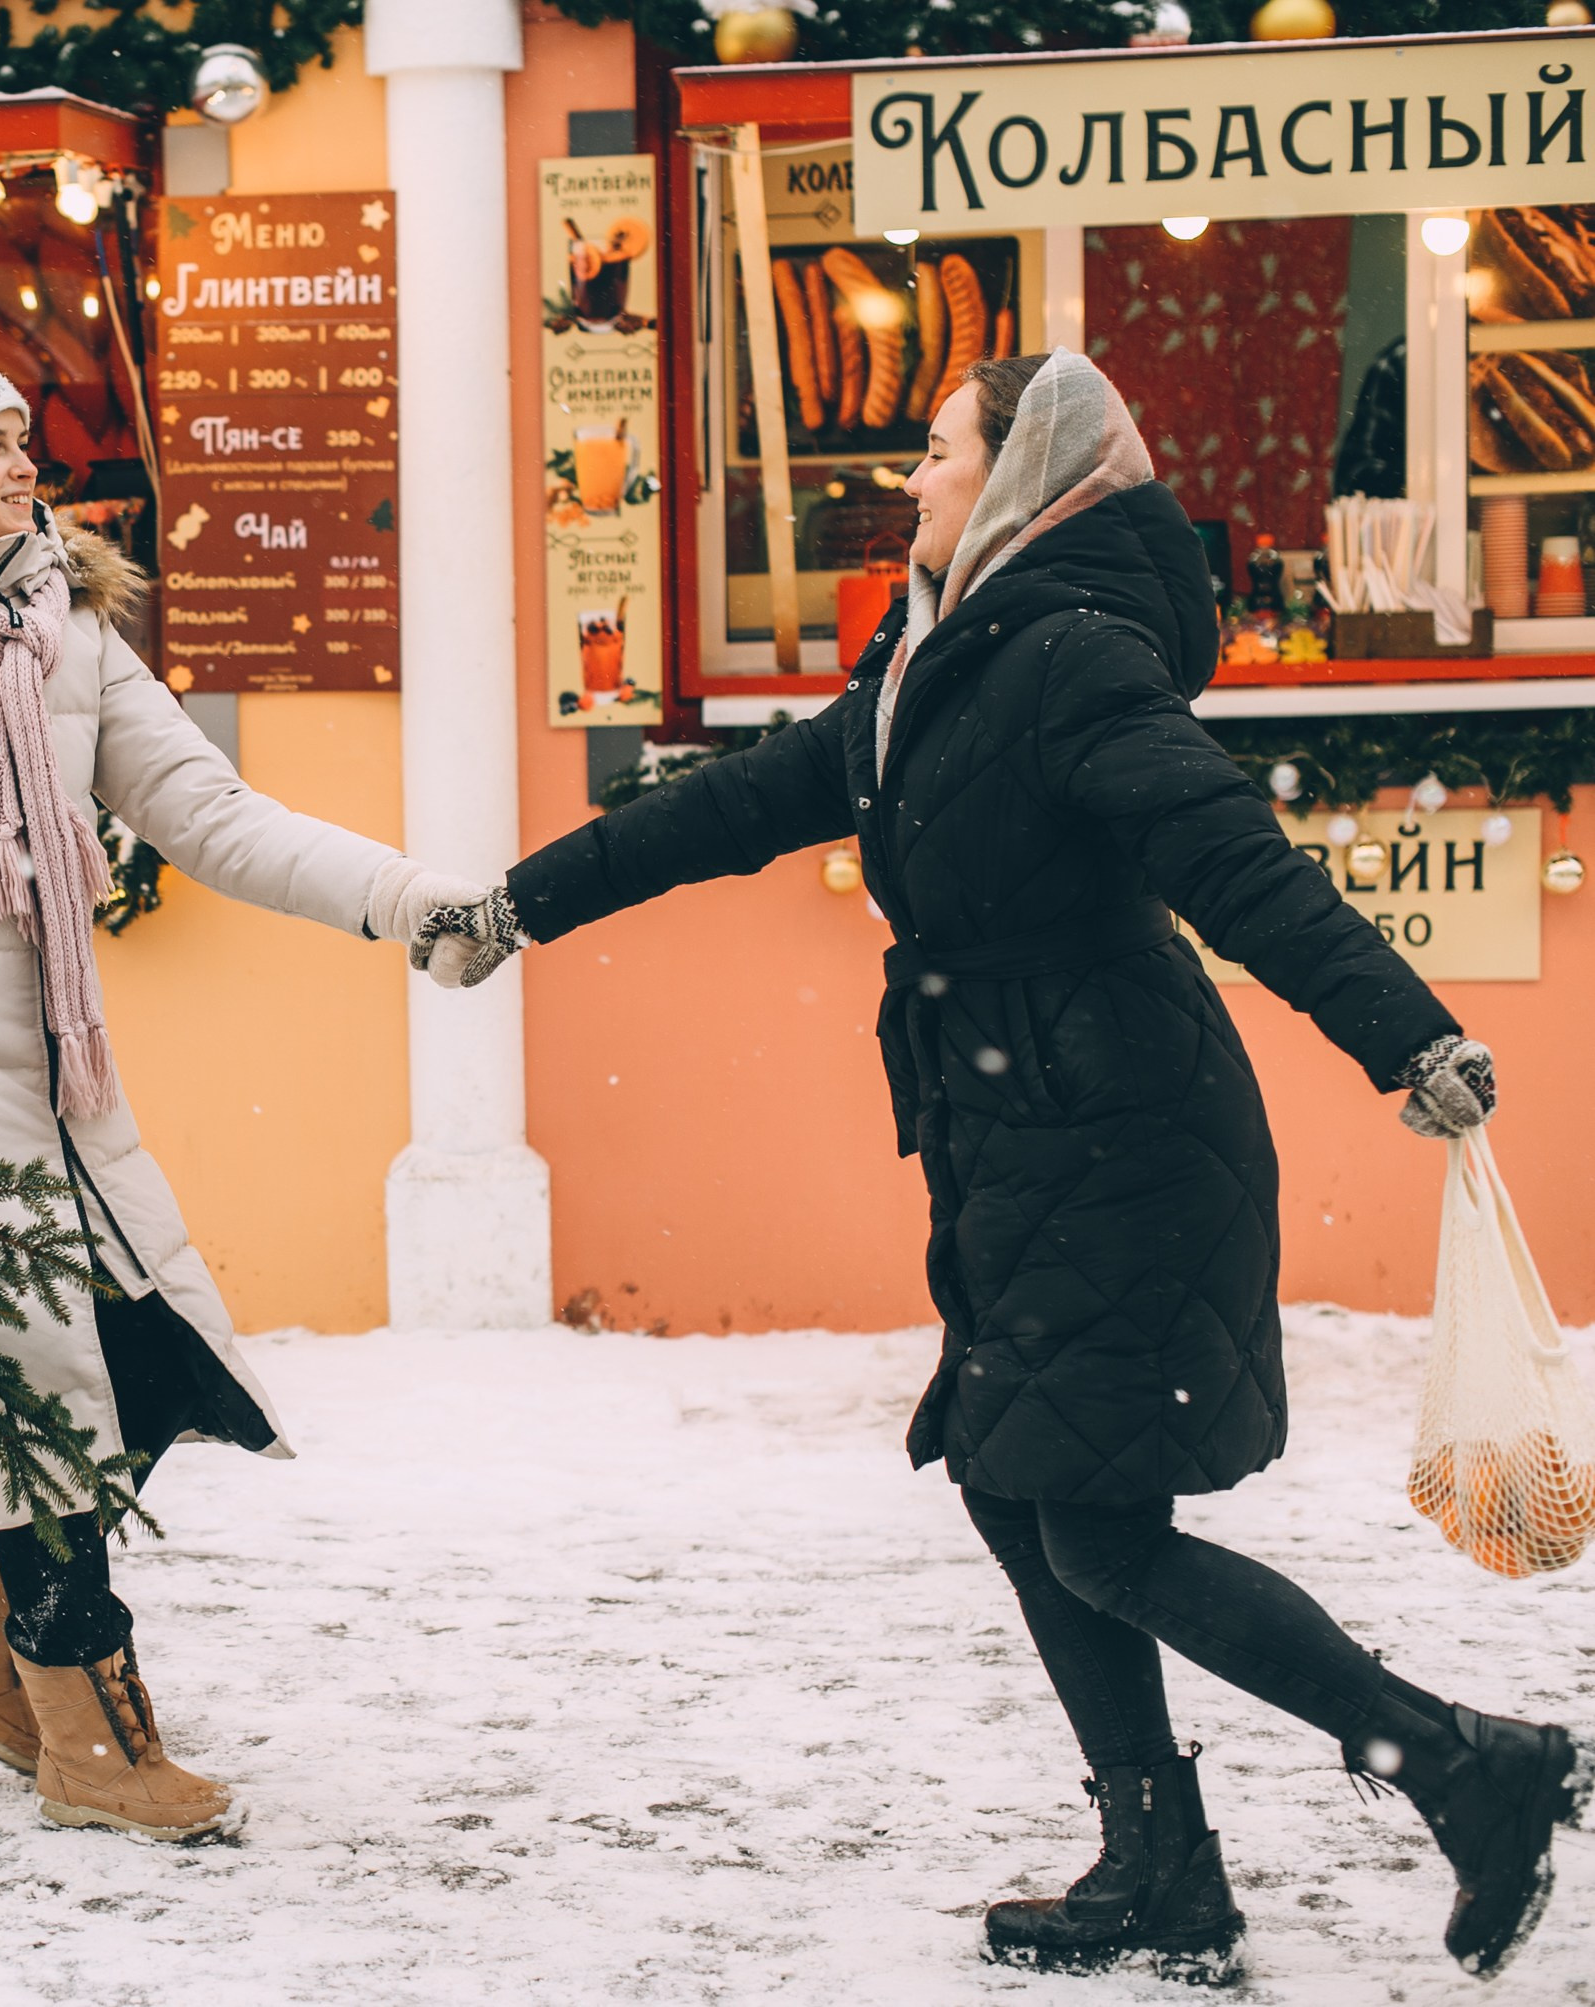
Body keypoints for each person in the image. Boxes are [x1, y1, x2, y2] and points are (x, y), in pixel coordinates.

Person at [420, 350, 1585, 1977]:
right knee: (1007, 1479)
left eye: (937, 451)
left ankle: (1461, 1764)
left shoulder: (1068, 663)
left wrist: (1403, 1034)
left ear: (1027, 479)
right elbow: (742, 801)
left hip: (1121, 1136)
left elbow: (1226, 856)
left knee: (1093, 1527)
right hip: (1020, 1127)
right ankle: (1160, 1862)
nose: (908, 479)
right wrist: (518, 904)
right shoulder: (937, 660)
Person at [0, 313, 481, 1843]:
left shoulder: (68, 638)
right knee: (35, 1393)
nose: (25, 467)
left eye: (23, 442)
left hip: (62, 1078)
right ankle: (82, 1728)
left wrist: (408, 900)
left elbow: (216, 816)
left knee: (117, 1369)